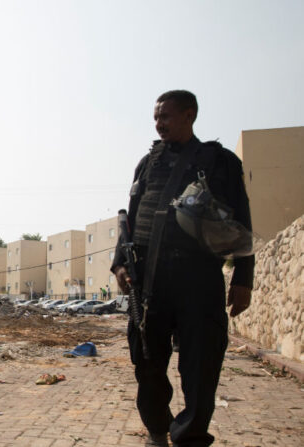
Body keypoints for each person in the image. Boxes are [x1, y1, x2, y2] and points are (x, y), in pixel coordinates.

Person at [111, 90, 254, 447]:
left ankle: (190, 435)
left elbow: (241, 220)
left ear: (190, 115)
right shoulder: (148, 163)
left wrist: (244, 277)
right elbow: (130, 216)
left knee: (201, 364)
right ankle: (157, 430)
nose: (158, 124)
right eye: (156, 117)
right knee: (147, 362)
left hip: (199, 280)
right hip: (150, 281)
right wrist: (119, 266)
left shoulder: (219, 162)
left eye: (166, 117)